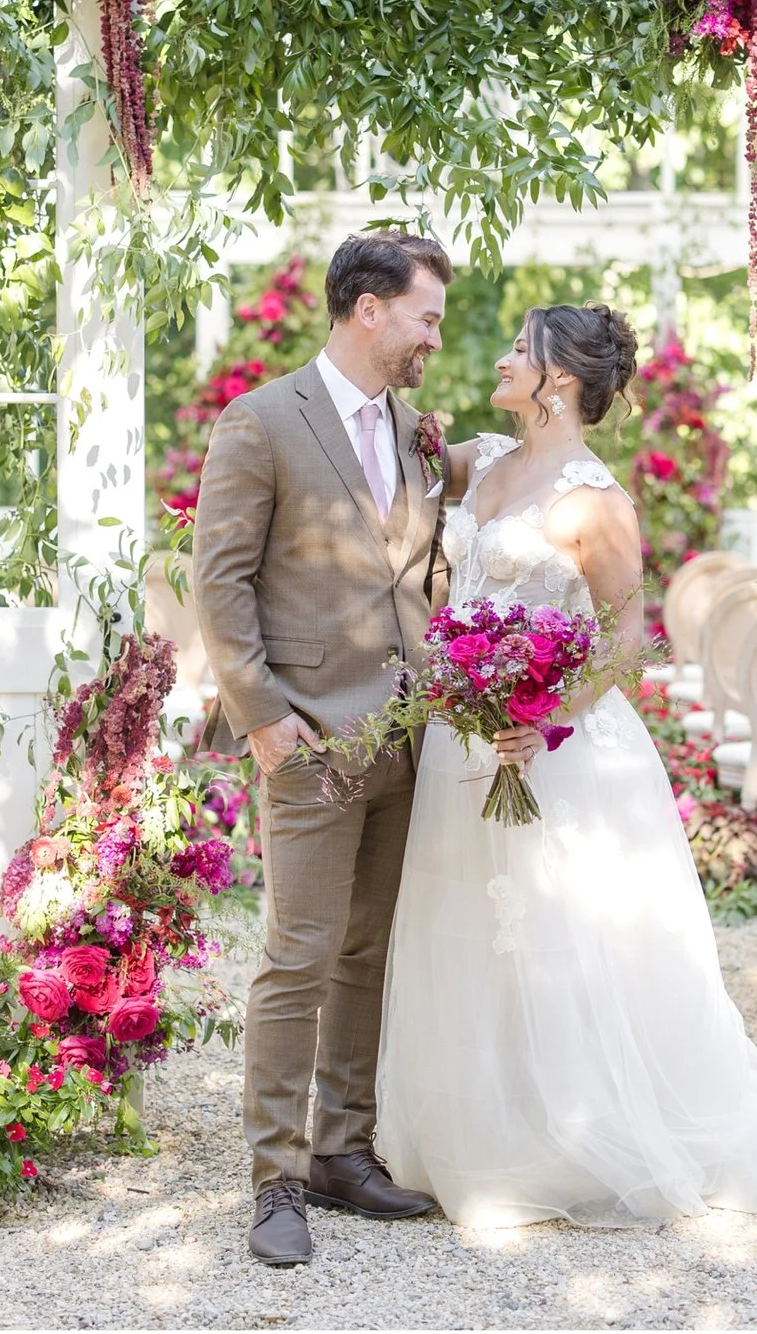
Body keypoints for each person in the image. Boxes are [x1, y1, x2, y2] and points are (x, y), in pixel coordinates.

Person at [376, 301, 757, 1229]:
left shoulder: (597, 503)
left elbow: (626, 637)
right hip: (458, 738)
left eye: (518, 349)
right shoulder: (481, 460)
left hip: (552, 750)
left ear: (558, 377)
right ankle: (479, 1127)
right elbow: (389, 456)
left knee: (563, 938)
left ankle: (574, 1135)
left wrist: (541, 717)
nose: (501, 356)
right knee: (466, 931)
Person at [190, 231, 454, 1267]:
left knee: (364, 956)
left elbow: (417, 573)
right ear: (368, 310)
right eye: (425, 314)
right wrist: (260, 716)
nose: (435, 333)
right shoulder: (259, 423)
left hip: (406, 739)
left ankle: (346, 1153)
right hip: (305, 739)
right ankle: (276, 1182)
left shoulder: (408, 427)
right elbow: (220, 584)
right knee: (295, 961)